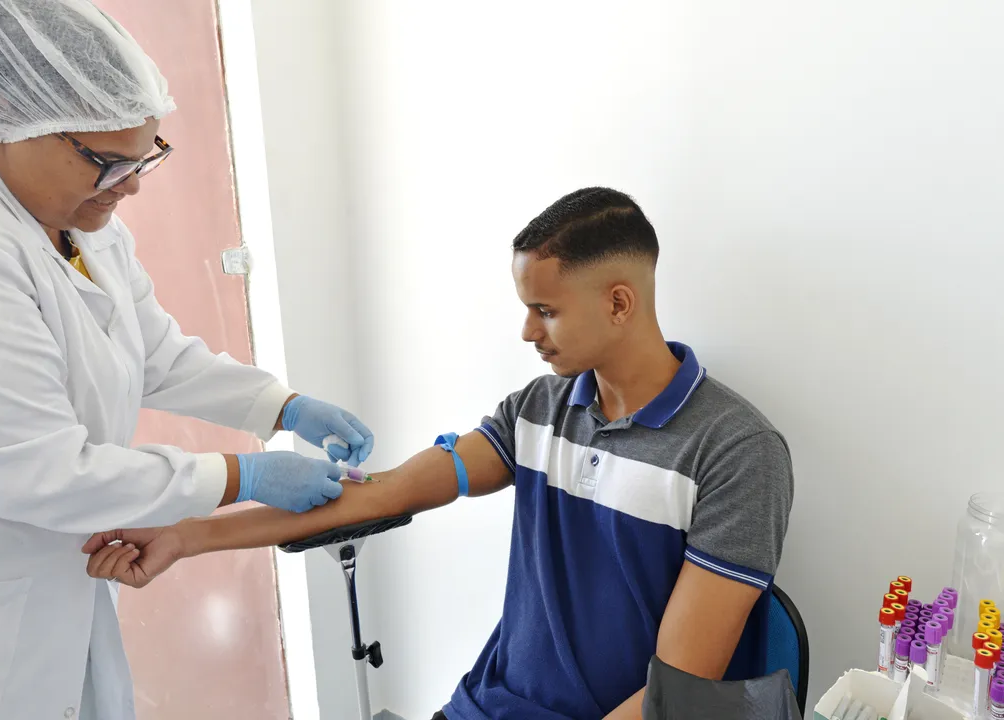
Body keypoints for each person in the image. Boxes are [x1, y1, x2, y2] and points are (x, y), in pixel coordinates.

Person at [85, 188, 795, 719]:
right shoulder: (539, 412)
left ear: (618, 303)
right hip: (491, 705)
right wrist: (183, 535)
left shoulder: (735, 451)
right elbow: (378, 494)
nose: (526, 332)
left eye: (545, 310)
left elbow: (676, 694)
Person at [0, 2, 373, 719]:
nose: (131, 185)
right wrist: (241, 475)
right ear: (4, 115)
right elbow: (38, 472)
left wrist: (278, 407)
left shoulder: (75, 217)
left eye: (146, 156)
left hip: (55, 587)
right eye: (108, 163)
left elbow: (154, 352)